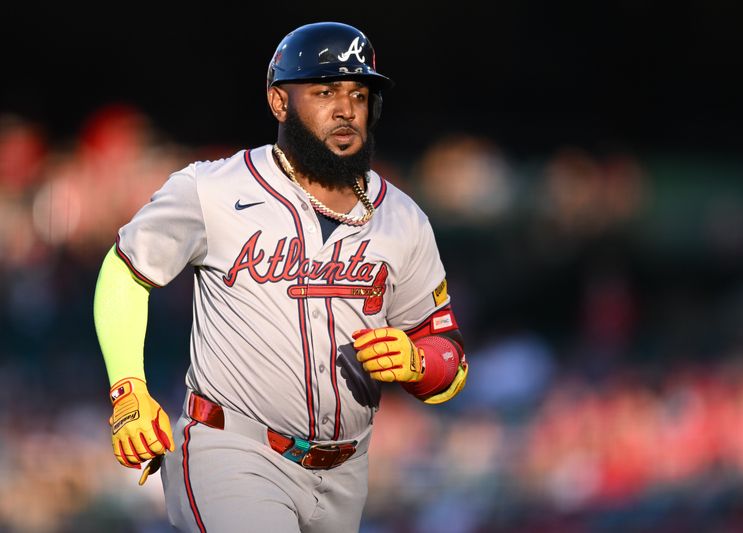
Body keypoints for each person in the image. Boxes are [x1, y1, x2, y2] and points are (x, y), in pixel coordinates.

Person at [93, 21, 468, 532]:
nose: (345, 108)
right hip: (231, 448)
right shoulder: (212, 188)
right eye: (324, 90)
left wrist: (417, 360)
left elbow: (447, 351)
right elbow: (124, 271)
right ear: (279, 102)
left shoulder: (403, 219)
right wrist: (128, 389)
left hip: (346, 471)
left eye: (358, 92)